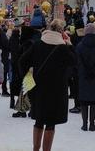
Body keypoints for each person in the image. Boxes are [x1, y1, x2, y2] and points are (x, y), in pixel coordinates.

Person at [20, 19, 76, 151]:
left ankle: (35, 149)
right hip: (56, 90)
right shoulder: (63, 48)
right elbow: (75, 61)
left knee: (38, 120)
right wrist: (69, 44)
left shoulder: (38, 44)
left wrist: (28, 77)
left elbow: (22, 61)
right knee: (51, 123)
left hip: (38, 89)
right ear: (61, 32)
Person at [75, 22, 95, 131]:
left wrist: (84, 71)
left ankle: (84, 124)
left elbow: (77, 61)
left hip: (83, 76)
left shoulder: (79, 46)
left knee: (84, 100)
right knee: (94, 100)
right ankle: (92, 124)